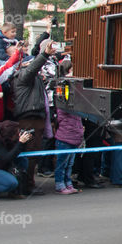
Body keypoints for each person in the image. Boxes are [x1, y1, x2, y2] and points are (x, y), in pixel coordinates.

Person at [9, 38, 57, 194]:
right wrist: (43, 55)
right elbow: (32, 69)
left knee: (33, 154)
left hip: (37, 119)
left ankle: (28, 183)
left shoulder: (36, 79)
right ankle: (26, 185)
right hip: (27, 119)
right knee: (29, 154)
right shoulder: (21, 76)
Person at [52, 60, 83, 195]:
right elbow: (62, 108)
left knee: (70, 162)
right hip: (65, 134)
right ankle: (60, 184)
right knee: (62, 162)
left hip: (75, 132)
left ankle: (68, 182)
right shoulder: (62, 89)